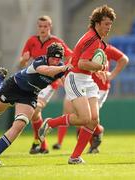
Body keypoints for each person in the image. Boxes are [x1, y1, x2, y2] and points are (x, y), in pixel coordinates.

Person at [38, 5, 116, 164]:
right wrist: (99, 67)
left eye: (110, 24)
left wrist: (97, 70)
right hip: (75, 78)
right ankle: (51, 123)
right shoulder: (92, 39)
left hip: (87, 79)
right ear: (97, 23)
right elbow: (82, 63)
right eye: (106, 23)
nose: (109, 27)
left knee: (93, 120)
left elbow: (88, 63)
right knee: (84, 118)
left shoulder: (98, 40)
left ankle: (74, 157)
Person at [0, 43, 72, 165]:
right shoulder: (40, 61)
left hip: (29, 95)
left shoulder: (60, 68)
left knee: (20, 124)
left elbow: (67, 83)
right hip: (14, 87)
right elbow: (46, 71)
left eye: (58, 59)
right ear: (47, 56)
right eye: (53, 58)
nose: (55, 61)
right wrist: (63, 68)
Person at [52, 44, 129, 153]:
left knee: (89, 118)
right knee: (82, 118)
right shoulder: (85, 49)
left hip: (101, 88)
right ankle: (93, 141)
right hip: (85, 87)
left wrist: (111, 75)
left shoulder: (107, 49)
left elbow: (124, 59)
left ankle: (95, 138)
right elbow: (72, 64)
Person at [19, 15, 72, 154]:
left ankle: (37, 142)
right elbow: (22, 62)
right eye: (40, 26)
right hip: (34, 81)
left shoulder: (57, 42)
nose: (43, 29)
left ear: (50, 26)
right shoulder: (31, 41)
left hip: (49, 83)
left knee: (35, 109)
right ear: (38, 27)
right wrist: (23, 61)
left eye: (46, 26)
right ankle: (42, 146)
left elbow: (71, 56)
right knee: (35, 114)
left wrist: (62, 72)